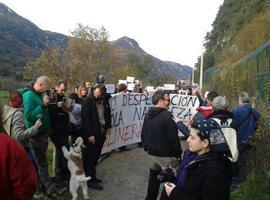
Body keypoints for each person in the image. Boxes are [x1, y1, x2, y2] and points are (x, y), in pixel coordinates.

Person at [162, 119, 231, 200]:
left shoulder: (216, 173)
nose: (188, 140)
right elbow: (190, 184)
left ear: (205, 143)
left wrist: (174, 193)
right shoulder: (192, 157)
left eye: (192, 137)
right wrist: (175, 175)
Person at [18, 76, 57, 195]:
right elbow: (29, 116)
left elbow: (42, 110)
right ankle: (49, 188)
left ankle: (40, 185)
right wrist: (43, 105)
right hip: (36, 135)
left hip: (42, 134)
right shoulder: (29, 96)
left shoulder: (37, 94)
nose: (46, 91)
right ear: (39, 84)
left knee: (40, 162)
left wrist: (48, 104)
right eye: (45, 88)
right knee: (42, 163)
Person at [141, 90, 182, 200]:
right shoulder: (168, 116)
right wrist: (178, 155)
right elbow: (173, 138)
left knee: (153, 180)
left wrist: (147, 148)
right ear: (160, 101)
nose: (169, 102)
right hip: (167, 158)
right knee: (171, 184)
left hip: (152, 156)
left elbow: (143, 133)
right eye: (168, 100)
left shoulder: (147, 114)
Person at [0, 105, 37, 200]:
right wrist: (35, 128)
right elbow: (19, 135)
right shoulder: (6, 145)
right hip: (21, 148)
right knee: (35, 166)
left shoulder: (7, 111)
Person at [81, 84, 112, 190]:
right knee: (90, 157)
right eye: (97, 93)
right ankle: (89, 180)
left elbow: (108, 114)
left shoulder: (104, 100)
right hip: (92, 135)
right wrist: (90, 134)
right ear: (94, 91)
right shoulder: (87, 101)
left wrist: (108, 127)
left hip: (101, 133)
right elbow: (86, 119)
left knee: (96, 156)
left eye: (100, 94)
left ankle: (92, 176)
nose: (98, 95)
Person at [230, 92, 260, 190]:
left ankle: (236, 183)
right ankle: (243, 182)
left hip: (240, 139)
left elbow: (233, 126)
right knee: (245, 161)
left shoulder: (238, 111)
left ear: (240, 100)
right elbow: (257, 122)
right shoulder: (254, 111)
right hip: (250, 139)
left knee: (236, 160)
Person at [48, 80, 70, 187]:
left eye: (64, 90)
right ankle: (60, 176)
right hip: (55, 130)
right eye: (62, 90)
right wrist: (57, 106)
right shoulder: (52, 96)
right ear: (57, 87)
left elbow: (65, 114)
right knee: (62, 152)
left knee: (63, 152)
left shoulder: (64, 97)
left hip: (64, 129)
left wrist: (68, 108)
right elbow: (49, 112)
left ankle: (63, 175)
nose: (63, 92)